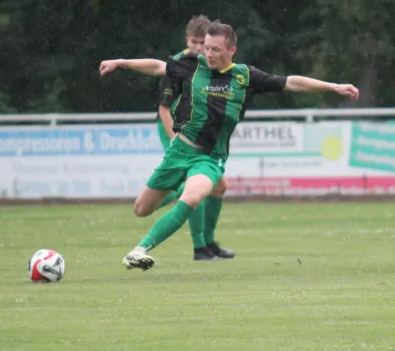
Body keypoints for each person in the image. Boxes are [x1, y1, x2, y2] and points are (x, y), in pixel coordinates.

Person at [99, 20, 359, 271]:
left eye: (215, 49)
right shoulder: (193, 65)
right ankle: (176, 200)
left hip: (209, 158)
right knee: (142, 209)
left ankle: (140, 250)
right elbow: (157, 67)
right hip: (179, 151)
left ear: (231, 50)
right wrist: (120, 63)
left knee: (192, 197)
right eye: (206, 47)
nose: (208, 53)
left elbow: (291, 82)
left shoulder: (245, 76)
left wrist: (333, 86)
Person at [155, 15, 234, 261]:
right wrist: (175, 143)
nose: (199, 48)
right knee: (195, 188)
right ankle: (200, 247)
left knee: (219, 187)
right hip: (176, 132)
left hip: (200, 135)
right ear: (186, 40)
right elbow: (164, 109)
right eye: (194, 42)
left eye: (203, 43)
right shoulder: (179, 65)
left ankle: (209, 243)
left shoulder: (212, 63)